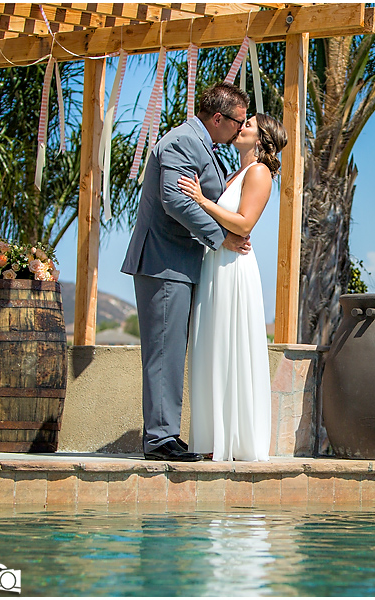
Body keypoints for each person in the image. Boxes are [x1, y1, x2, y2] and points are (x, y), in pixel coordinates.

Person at [120, 83, 251, 462]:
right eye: (238, 122)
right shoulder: (182, 142)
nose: (240, 129)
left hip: (180, 264)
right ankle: (160, 440)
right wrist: (221, 237)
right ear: (217, 118)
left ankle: (165, 434)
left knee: (172, 349)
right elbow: (174, 198)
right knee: (164, 351)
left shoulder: (202, 146)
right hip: (165, 263)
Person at [177, 113, 288, 461]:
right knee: (212, 345)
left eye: (248, 125)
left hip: (233, 269)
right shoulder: (236, 174)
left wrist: (200, 200)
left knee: (229, 344)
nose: (240, 127)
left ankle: (235, 441)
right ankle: (213, 438)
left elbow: (243, 224)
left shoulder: (259, 173)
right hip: (215, 266)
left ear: (261, 139)